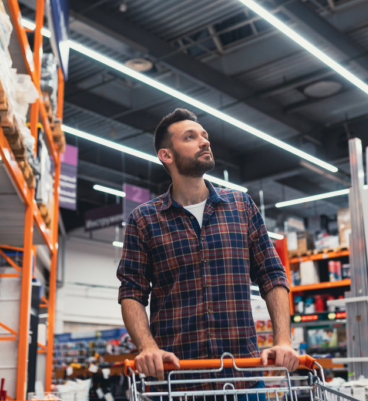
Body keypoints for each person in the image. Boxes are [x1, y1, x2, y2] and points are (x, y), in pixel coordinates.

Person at [117, 108, 298, 394]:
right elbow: (132, 291)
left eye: (205, 136)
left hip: (242, 381)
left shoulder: (241, 206)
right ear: (166, 155)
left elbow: (272, 275)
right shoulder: (144, 219)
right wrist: (148, 347)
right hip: (175, 384)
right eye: (190, 137)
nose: (204, 142)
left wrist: (284, 340)